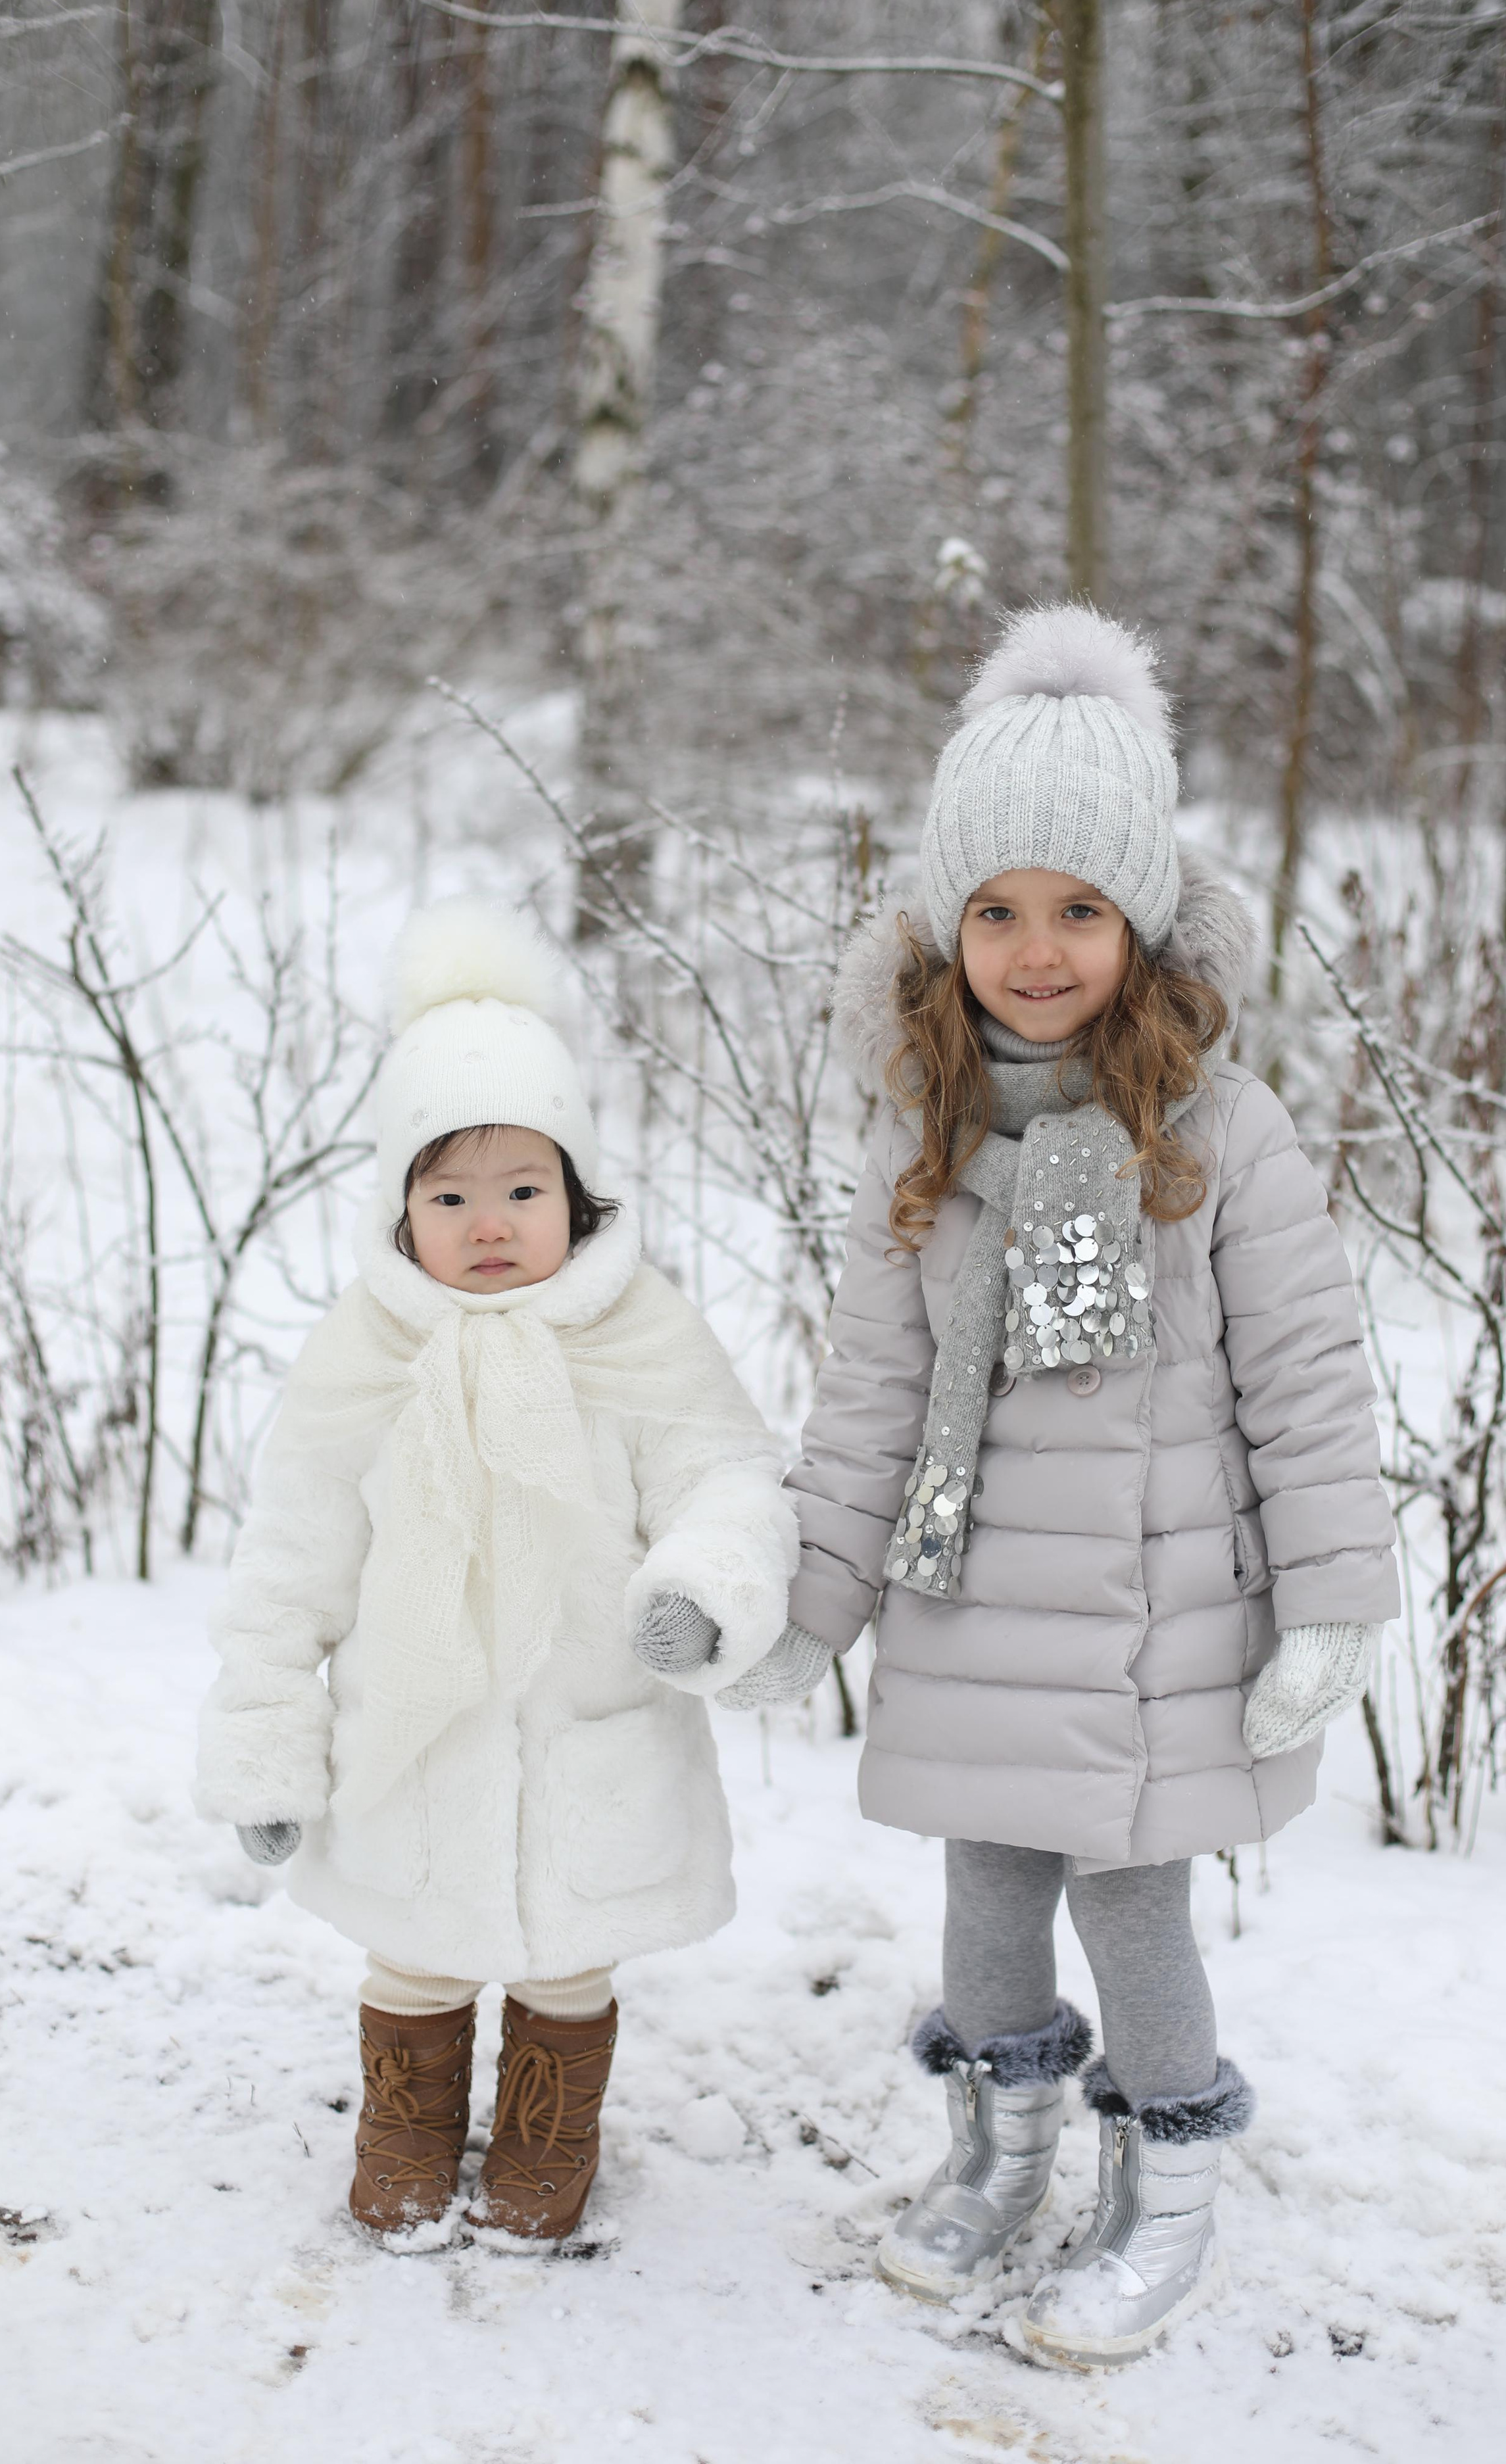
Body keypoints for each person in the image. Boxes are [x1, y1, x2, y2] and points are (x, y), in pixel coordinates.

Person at [740, 603, 1398, 2366]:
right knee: (983, 1902)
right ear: (950, 926)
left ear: (1141, 924)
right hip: (970, 1608)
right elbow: (871, 1393)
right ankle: (1000, 2151)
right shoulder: (930, 1140)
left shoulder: (1221, 1136)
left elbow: (1311, 1383)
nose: (1038, 952)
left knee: (1132, 1906)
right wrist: (810, 1604)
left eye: (1080, 911)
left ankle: (1166, 2185)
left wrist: (1334, 1601)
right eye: (999, 911)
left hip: (1153, 1635)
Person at [195, 898, 794, 2242]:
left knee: (569, 1957)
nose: (486, 1225)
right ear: (401, 1209)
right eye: (448, 1194)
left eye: (522, 1190)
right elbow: (290, 1557)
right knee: (410, 1949)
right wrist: (265, 1746)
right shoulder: (364, 1351)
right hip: (417, 1734)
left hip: (593, 1728)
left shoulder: (639, 1330)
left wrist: (703, 1583)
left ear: (576, 1194)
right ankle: (405, 2113)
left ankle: (546, 2121)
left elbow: (725, 1472)